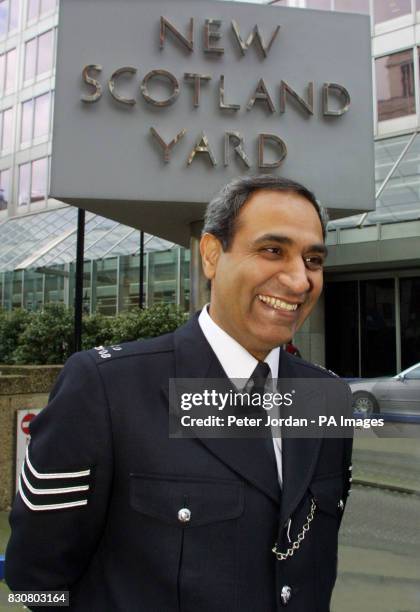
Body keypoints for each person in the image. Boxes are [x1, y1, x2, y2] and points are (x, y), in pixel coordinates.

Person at [5, 175, 353, 611]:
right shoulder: (106, 388)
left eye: (314, 259)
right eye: (272, 251)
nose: (300, 280)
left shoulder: (326, 397)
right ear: (211, 254)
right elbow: (32, 580)